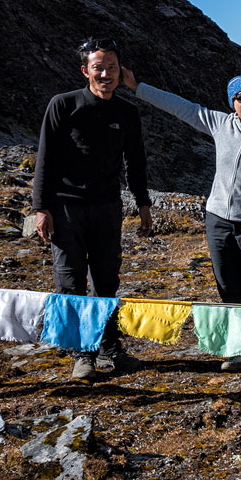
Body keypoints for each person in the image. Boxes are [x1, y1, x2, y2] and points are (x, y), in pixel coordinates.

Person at [122, 70, 241, 377]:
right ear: (233, 103)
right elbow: (179, 106)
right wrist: (137, 87)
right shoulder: (221, 124)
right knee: (229, 288)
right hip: (218, 221)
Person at [32, 39, 153, 380]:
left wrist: (143, 204)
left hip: (107, 207)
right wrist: (40, 207)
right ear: (85, 71)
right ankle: (80, 354)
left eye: (112, 67)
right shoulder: (63, 105)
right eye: (98, 67)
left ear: (120, 72)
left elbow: (136, 162)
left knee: (106, 279)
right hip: (65, 206)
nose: (105, 74)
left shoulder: (127, 112)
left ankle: (109, 349)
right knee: (69, 281)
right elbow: (45, 157)